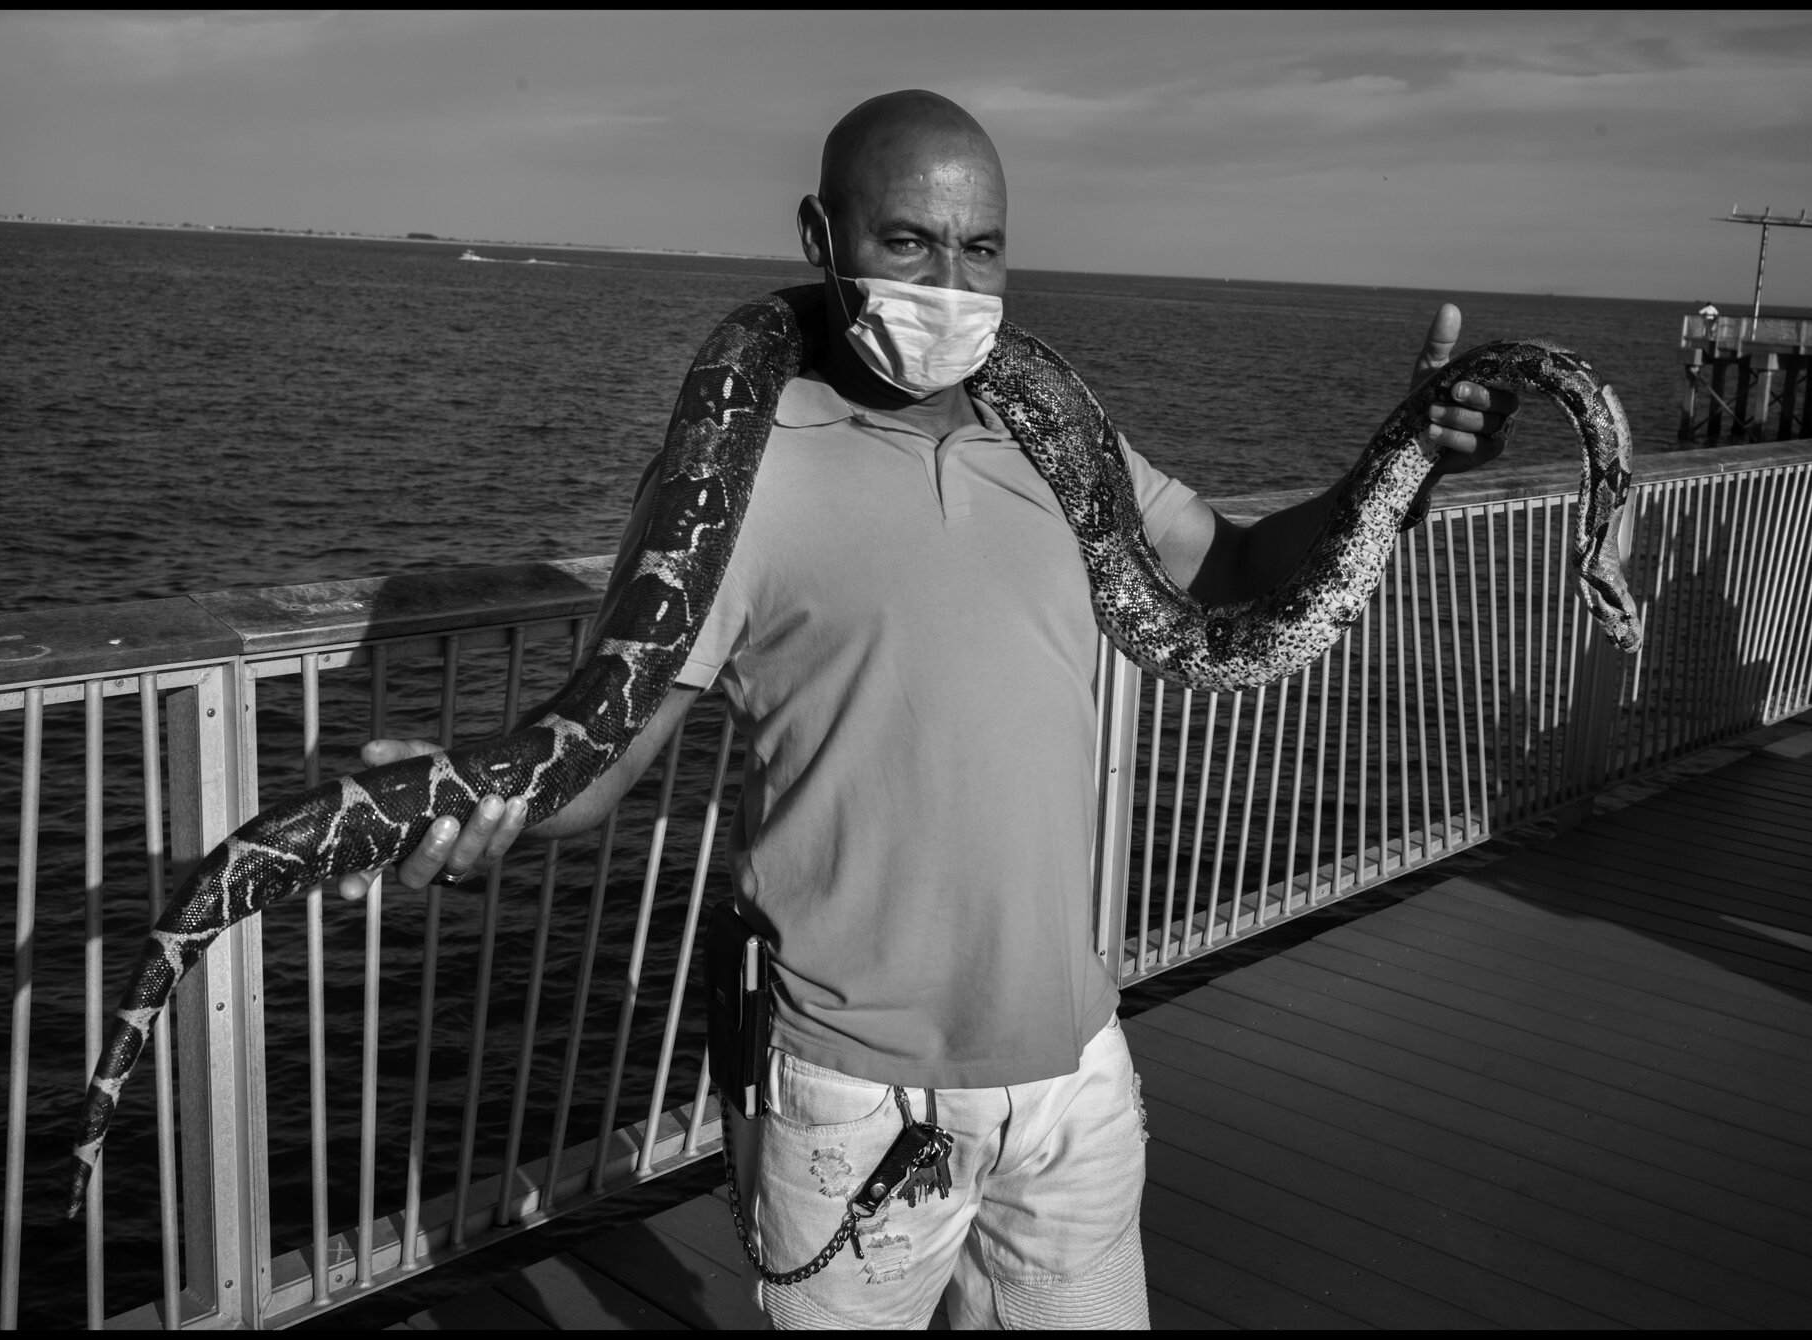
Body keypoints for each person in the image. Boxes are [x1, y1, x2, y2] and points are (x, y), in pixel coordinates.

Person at [337, 89, 1517, 1329]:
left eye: (981, 246)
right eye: (907, 241)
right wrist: (484, 801)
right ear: (820, 237)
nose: (950, 279)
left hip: (1071, 1074)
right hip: (847, 1102)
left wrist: (1402, 462)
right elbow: (603, 759)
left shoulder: (1060, 439)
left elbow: (1227, 576)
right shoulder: (736, 473)